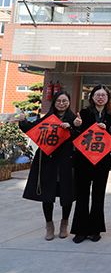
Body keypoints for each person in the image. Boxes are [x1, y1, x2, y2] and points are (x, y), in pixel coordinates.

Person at [19, 91, 77, 241]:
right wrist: (23, 121)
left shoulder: (74, 119)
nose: (62, 104)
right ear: (54, 103)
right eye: (59, 101)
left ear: (69, 102)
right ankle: (49, 225)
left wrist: (72, 128)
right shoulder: (48, 118)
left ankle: (64, 224)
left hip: (66, 162)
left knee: (67, 195)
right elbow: (32, 129)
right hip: (48, 162)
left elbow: (80, 136)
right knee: (47, 194)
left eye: (65, 101)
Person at [71, 84, 111, 243]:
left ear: (108, 98)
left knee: (98, 196)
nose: (100, 98)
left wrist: (107, 130)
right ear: (92, 97)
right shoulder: (83, 113)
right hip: (83, 161)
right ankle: (80, 231)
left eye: (104, 95)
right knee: (82, 195)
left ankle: (95, 229)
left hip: (102, 161)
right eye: (97, 95)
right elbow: (75, 135)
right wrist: (77, 126)